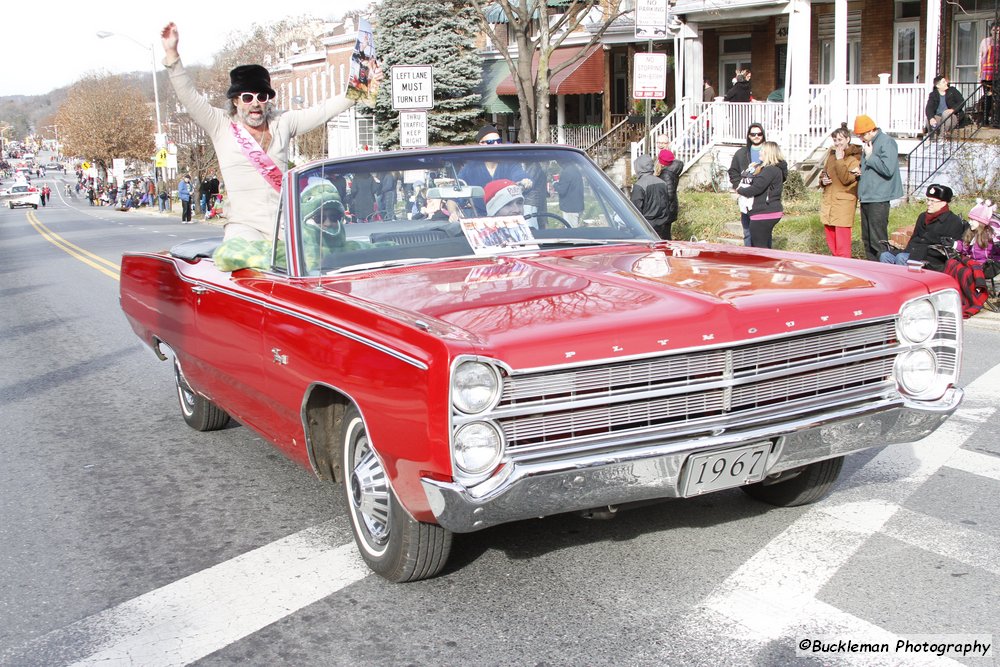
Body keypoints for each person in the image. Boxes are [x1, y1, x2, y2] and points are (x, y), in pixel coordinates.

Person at [159, 22, 381, 241]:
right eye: (247, 97)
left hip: (284, 228)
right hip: (243, 228)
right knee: (243, 259)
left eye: (262, 97)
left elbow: (322, 111)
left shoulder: (283, 122)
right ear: (236, 101)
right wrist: (172, 55)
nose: (255, 104)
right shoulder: (221, 124)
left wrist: (363, 86)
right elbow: (189, 97)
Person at [450, 125, 532, 219]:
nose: (496, 145)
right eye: (490, 142)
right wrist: (453, 213)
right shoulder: (470, 168)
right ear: (481, 144)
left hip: (509, 219)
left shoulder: (510, 164)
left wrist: (524, 182)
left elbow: (521, 178)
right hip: (480, 222)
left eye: (499, 141)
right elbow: (454, 197)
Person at [879, 184, 964, 271]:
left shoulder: (953, 221)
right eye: (928, 200)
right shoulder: (923, 216)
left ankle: (904, 283)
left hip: (932, 258)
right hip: (912, 252)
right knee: (885, 256)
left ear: (943, 203)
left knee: (901, 258)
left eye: (933, 201)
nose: (928, 203)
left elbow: (949, 250)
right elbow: (914, 238)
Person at [853, 114, 903, 261]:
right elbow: (874, 168)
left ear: (870, 131)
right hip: (867, 196)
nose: (861, 138)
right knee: (867, 239)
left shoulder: (887, 142)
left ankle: (883, 269)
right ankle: (871, 269)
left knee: (878, 240)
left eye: (861, 135)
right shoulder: (870, 143)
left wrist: (870, 157)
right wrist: (861, 170)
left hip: (879, 197)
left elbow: (888, 169)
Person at [818, 123, 862, 258]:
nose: (837, 143)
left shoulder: (854, 158)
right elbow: (824, 173)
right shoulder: (831, 156)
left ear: (848, 139)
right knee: (831, 241)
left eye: (840, 140)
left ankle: (845, 269)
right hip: (829, 202)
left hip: (843, 204)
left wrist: (839, 159)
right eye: (835, 140)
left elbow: (846, 179)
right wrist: (822, 180)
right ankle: (835, 268)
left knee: (843, 245)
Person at [728, 123, 774, 246]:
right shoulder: (741, 153)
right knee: (748, 231)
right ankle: (749, 258)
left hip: (764, 198)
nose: (756, 136)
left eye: (759, 134)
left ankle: (766, 259)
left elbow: (781, 170)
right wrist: (739, 186)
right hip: (746, 198)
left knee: (765, 232)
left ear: (763, 135)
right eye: (753, 134)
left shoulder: (770, 152)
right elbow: (733, 171)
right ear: (749, 136)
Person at [736, 141, 786, 249]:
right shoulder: (774, 169)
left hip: (764, 213)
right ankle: (769, 264)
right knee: (765, 246)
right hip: (770, 211)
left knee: (759, 248)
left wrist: (739, 190)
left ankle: (764, 265)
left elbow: (756, 188)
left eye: (762, 150)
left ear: (768, 153)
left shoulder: (769, 170)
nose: (760, 152)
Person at [630, 155, 671, 235]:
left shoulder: (639, 185)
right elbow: (666, 204)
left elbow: (635, 209)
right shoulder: (662, 182)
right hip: (661, 224)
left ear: (638, 168)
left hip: (645, 225)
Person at [654, 149, 683, 240]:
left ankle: (667, 252)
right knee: (664, 236)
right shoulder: (668, 172)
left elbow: (669, 194)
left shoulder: (666, 174)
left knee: (664, 237)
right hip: (668, 210)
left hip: (666, 211)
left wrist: (659, 206)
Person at [979, 24, 1000, 127]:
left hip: (998, 75)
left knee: (998, 98)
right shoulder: (985, 41)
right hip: (987, 75)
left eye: (998, 31)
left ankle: (996, 120)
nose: (996, 32)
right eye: (994, 30)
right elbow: (980, 57)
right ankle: (985, 119)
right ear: (991, 31)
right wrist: (980, 74)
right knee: (988, 97)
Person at [553, 162, 584, 227]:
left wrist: (555, 184)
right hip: (578, 206)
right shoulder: (575, 169)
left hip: (570, 208)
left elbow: (562, 190)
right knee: (575, 228)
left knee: (571, 231)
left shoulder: (566, 172)